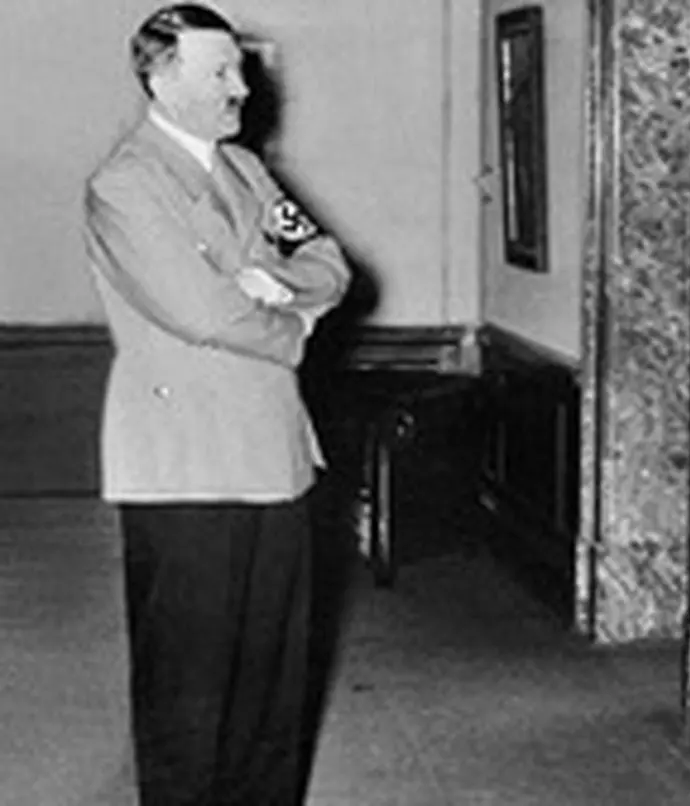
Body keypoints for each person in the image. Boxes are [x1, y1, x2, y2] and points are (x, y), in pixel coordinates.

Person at [82, 4, 350, 804]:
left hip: (275, 452)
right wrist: (294, 324)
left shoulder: (248, 172)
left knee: (273, 678)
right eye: (220, 72)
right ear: (160, 79)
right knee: (188, 688)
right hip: (185, 461)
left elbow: (331, 262)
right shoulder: (126, 185)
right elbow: (203, 312)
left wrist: (275, 284)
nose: (241, 87)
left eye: (240, 68)